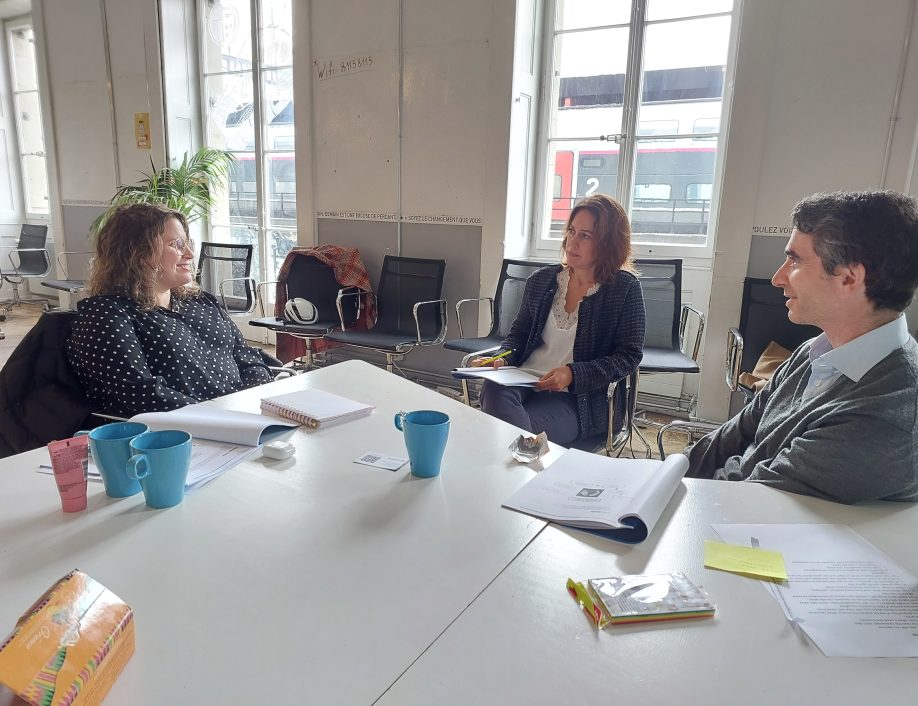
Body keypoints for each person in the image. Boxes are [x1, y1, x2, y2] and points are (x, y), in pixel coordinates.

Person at [688, 190, 918, 504]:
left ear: (849, 278)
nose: (777, 278)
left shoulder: (884, 416)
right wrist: (661, 475)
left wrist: (666, 494)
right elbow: (735, 434)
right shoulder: (815, 351)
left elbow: (749, 499)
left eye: (794, 260)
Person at [67, 203, 273, 418]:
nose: (190, 254)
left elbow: (247, 357)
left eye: (188, 243)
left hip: (244, 420)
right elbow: (144, 395)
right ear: (139, 254)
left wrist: (255, 402)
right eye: (177, 245)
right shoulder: (106, 315)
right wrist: (223, 417)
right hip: (181, 437)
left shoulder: (201, 302)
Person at [476, 194, 645, 445]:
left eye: (585, 236)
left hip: (577, 399)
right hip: (523, 380)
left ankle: (521, 461)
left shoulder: (624, 289)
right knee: (494, 389)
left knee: (505, 432)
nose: (572, 242)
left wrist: (573, 374)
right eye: (572, 231)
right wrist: (501, 359)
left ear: (609, 243)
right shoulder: (542, 280)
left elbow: (629, 356)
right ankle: (526, 463)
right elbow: (518, 335)